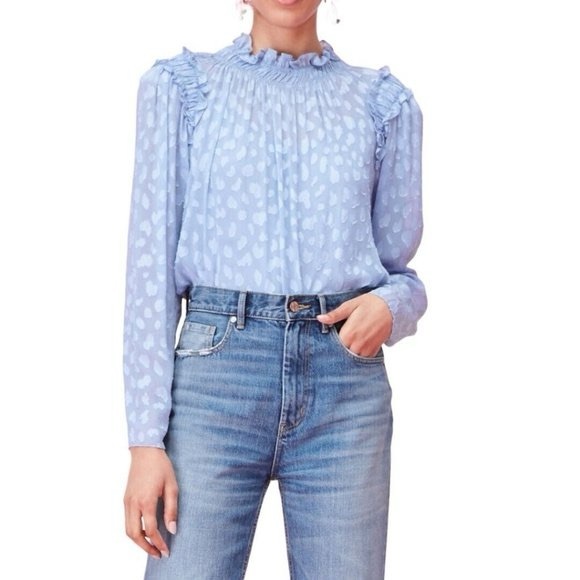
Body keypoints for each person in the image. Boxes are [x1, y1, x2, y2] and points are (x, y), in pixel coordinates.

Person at [122, 0, 427, 578]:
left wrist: (391, 305)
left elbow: (400, 276)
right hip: (214, 385)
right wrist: (144, 442)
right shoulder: (182, 90)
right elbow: (149, 270)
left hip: (344, 388)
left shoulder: (384, 105)